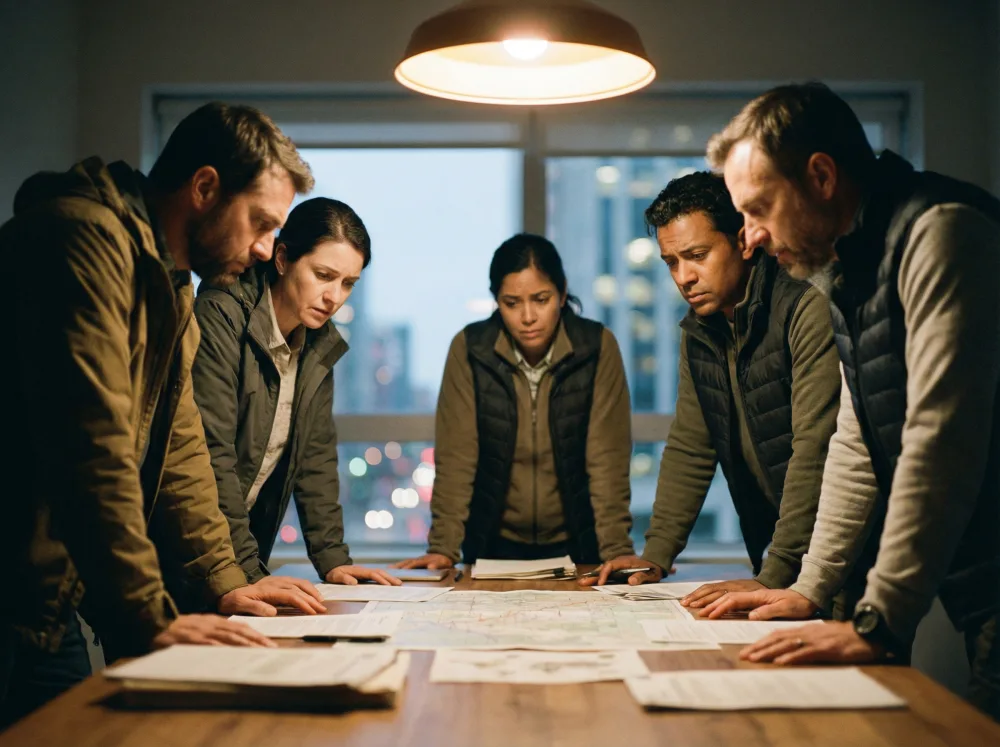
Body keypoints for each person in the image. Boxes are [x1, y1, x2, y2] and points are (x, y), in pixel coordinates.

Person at [0, 102, 328, 728]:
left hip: (47, 592)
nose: (265, 250)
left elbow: (181, 450)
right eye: (260, 223)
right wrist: (148, 617)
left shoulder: (173, 284)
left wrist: (225, 579)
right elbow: (91, 449)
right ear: (205, 188)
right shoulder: (81, 241)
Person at [700, 81, 1000, 721]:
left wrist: (878, 622)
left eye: (758, 208)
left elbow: (939, 438)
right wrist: (809, 590)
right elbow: (858, 439)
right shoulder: (848, 271)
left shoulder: (939, 234)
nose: (748, 237)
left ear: (821, 176)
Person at [581, 171, 847, 614]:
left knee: (862, 679)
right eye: (671, 262)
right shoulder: (699, 331)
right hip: (779, 556)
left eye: (697, 255)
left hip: (841, 554)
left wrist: (774, 573)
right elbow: (690, 446)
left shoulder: (804, 306)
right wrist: (655, 557)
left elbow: (814, 451)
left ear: (743, 241)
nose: (683, 277)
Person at [190, 197, 399, 589]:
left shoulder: (318, 343)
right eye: (323, 275)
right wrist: (249, 574)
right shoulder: (220, 314)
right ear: (283, 259)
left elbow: (315, 457)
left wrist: (334, 560)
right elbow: (211, 458)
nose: (334, 296)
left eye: (348, 284)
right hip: (183, 550)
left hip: (234, 560)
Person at [396, 233, 634, 569]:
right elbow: (457, 458)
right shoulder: (469, 349)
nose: (527, 317)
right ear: (496, 301)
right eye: (511, 303)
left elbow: (606, 458)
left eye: (541, 299)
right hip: (491, 547)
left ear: (562, 293)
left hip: (580, 546)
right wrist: (443, 548)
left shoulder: (597, 347)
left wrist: (617, 550)